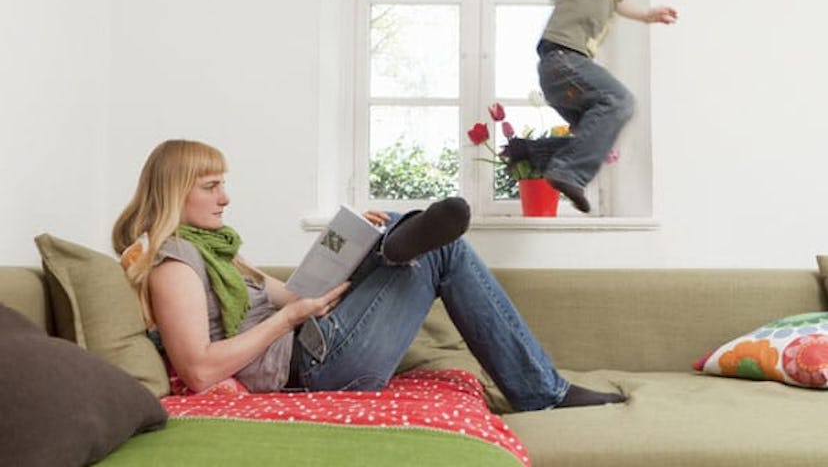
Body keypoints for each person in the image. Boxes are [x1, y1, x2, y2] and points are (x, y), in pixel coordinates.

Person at [112, 139, 625, 410]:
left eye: (224, 184)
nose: (226, 197)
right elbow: (200, 370)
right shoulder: (175, 263)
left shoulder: (219, 253)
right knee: (444, 252)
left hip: (314, 339)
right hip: (313, 366)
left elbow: (295, 292)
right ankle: (544, 392)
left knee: (406, 237)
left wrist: (349, 245)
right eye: (211, 186)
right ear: (177, 192)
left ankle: (393, 240)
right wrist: (289, 317)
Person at [505, 0, 676, 213]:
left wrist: (647, 14)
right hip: (562, 58)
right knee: (619, 101)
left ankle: (532, 152)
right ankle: (568, 173)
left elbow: (616, 2)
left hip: (566, 71)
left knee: (597, 136)